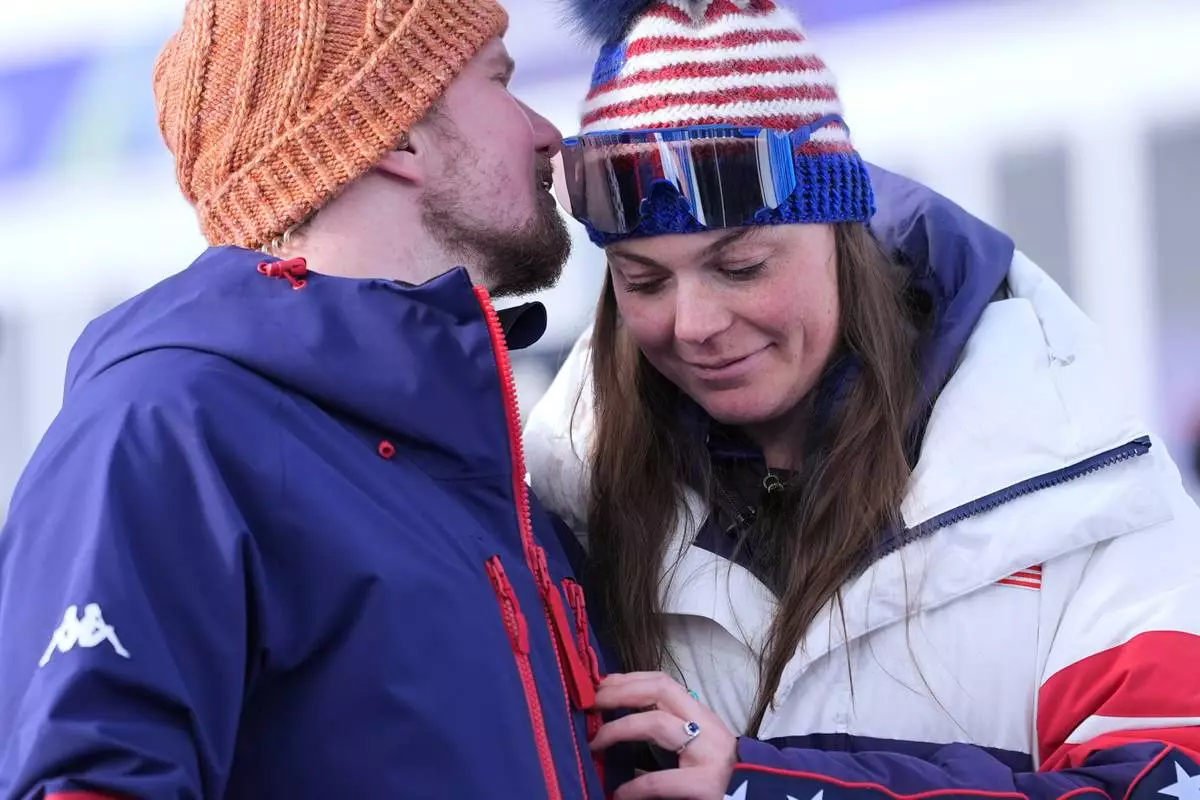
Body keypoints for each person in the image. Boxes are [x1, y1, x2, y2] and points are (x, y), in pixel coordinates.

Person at [525, 1, 1200, 799]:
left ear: (844, 239)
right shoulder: (566, 499)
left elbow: (1165, 782)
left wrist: (772, 787)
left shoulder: (1081, 474)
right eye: (643, 281)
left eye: (741, 268)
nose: (695, 325)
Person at [0, 0, 616, 797]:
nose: (544, 131)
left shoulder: (473, 481)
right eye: (500, 80)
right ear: (394, 132)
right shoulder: (165, 433)